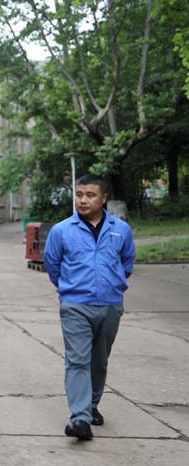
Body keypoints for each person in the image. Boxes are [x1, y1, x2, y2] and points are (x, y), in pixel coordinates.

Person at [43, 175, 135, 441]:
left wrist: (112, 285)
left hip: (110, 305)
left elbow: (127, 262)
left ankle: (92, 405)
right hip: (75, 305)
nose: (83, 200)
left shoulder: (121, 229)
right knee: (77, 360)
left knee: (99, 360)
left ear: (103, 198)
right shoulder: (62, 230)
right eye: (79, 194)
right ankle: (80, 418)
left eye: (90, 195)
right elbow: (52, 264)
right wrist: (70, 288)